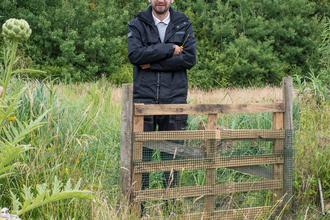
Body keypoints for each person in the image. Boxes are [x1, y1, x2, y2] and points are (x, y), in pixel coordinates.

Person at [127, 0, 197, 213]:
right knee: (143, 156)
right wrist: (169, 48)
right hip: (144, 100)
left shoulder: (183, 23)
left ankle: (172, 207)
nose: (160, 0)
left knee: (172, 155)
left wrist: (154, 61)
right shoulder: (137, 23)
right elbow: (135, 56)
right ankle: (140, 208)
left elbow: (189, 59)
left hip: (174, 100)